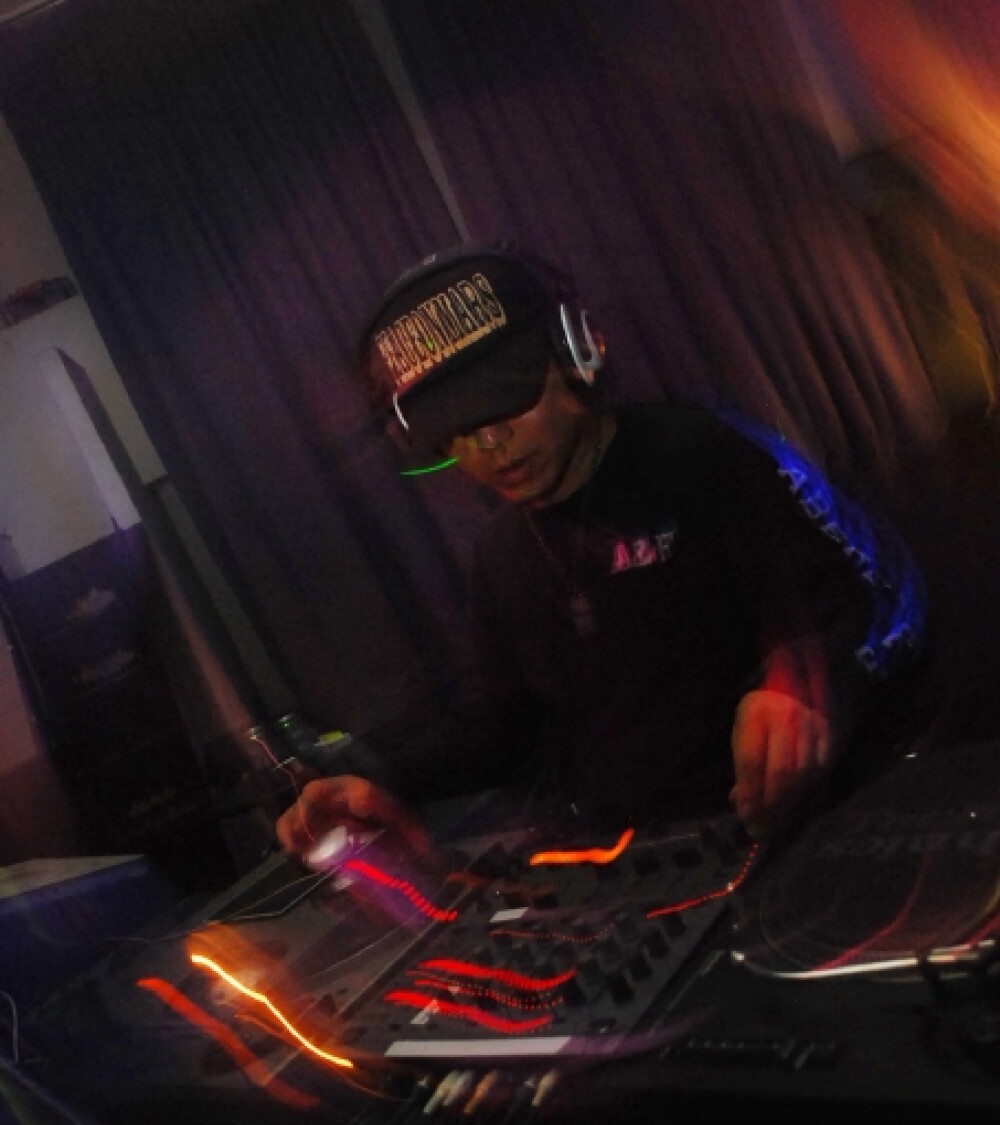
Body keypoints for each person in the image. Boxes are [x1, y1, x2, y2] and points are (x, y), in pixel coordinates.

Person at [277, 243, 925, 864]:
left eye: (506, 401)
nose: (489, 444)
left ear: (575, 355)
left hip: (801, 837)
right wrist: (378, 775)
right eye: (457, 430)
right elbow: (495, 727)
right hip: (644, 861)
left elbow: (875, 602)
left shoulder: (701, 455)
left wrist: (801, 682)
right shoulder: (500, 556)